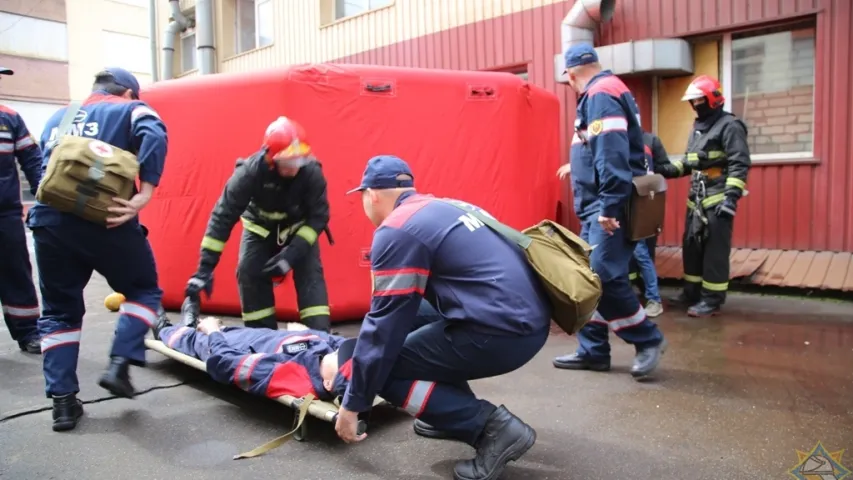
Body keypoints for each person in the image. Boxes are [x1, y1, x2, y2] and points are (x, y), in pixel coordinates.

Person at [335, 155, 551, 480]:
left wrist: (354, 402)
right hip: (524, 319)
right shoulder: (445, 206)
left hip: (504, 331)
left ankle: (492, 430)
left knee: (385, 368)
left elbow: (384, 328)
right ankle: (447, 412)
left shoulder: (396, 229)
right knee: (413, 326)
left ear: (372, 194)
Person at [27, 68, 168, 432]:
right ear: (127, 93)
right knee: (143, 289)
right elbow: (155, 131)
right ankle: (120, 364)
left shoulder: (61, 116)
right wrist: (144, 194)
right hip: (108, 219)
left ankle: (62, 404)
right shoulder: (130, 110)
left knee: (59, 312)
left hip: (51, 222)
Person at [551, 44, 667, 379]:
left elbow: (612, 156)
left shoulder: (600, 95)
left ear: (571, 74)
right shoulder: (609, 90)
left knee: (603, 273)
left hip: (606, 207)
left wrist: (609, 207)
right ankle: (593, 350)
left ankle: (648, 338)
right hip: (596, 206)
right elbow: (603, 151)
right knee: (588, 276)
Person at [184, 116, 333, 332]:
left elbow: (319, 217)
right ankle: (261, 337)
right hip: (259, 229)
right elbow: (222, 217)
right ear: (271, 158)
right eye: (289, 162)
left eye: (299, 161)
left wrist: (292, 254)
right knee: (248, 272)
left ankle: (321, 339)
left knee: (311, 276)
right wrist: (204, 269)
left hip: (299, 231)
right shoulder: (249, 173)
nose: (295, 168)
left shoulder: (311, 173)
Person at [662, 75, 751, 317]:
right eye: (693, 101)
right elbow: (691, 162)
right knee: (691, 246)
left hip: (718, 198)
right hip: (697, 197)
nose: (695, 105)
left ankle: (712, 300)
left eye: (699, 100)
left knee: (714, 251)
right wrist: (667, 169)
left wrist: (731, 199)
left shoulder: (730, 126)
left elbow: (739, 163)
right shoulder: (698, 128)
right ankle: (692, 292)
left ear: (712, 100)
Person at [153, 315, 353, 400]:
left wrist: (213, 332)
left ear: (328, 383)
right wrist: (306, 332)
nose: (341, 352)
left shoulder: (286, 375)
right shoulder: (326, 355)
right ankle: (190, 321)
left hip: (226, 344)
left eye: (342, 360)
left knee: (186, 338)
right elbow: (337, 342)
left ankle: (164, 327)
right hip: (254, 335)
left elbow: (225, 364)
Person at [0, 66, 43, 354]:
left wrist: (47, 195)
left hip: (6, 214)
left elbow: (32, 161)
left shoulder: (10, 118)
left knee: (16, 272)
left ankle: (28, 332)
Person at [627, 132, 671, 318]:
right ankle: (624, 300)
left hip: (638, 205)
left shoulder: (647, 140)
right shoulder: (615, 139)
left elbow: (662, 169)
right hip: (619, 204)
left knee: (641, 253)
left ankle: (654, 300)